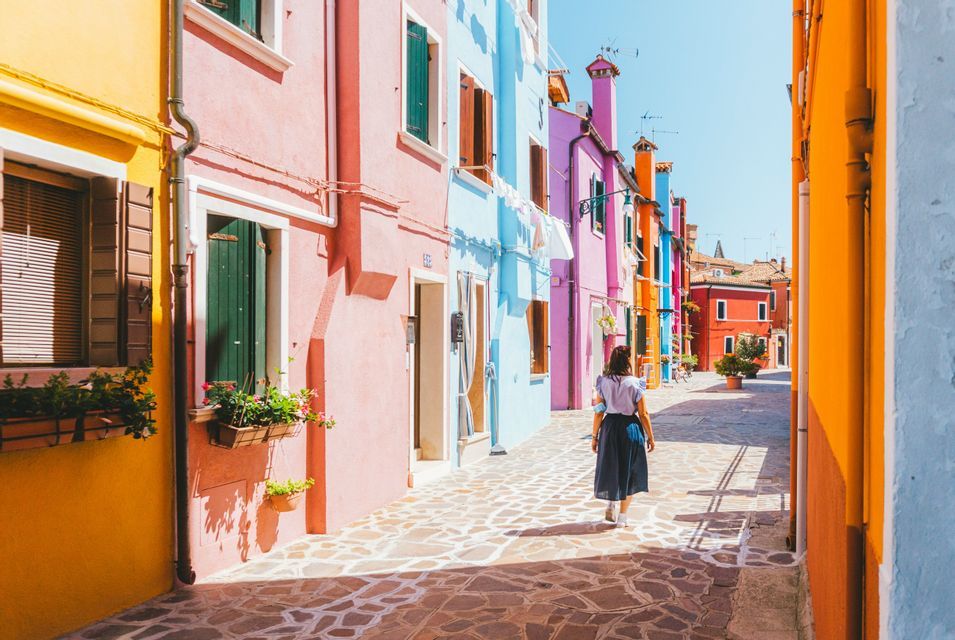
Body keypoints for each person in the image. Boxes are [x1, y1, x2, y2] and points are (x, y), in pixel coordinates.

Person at [591, 345, 656, 527]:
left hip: (610, 427)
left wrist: (595, 436)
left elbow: (598, 411)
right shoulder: (636, 383)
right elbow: (643, 413)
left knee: (611, 465)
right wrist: (651, 437)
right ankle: (623, 517)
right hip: (630, 428)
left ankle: (611, 502)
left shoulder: (603, 382)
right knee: (630, 470)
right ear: (628, 360)